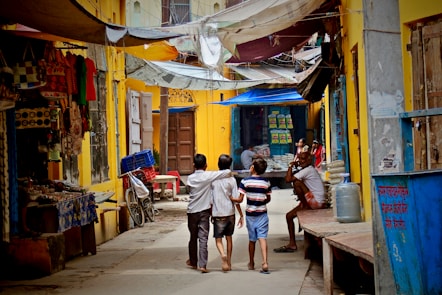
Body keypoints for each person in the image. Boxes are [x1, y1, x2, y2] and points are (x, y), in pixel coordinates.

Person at [186, 153, 232, 273]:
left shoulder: (190, 178)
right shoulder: (208, 176)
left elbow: (188, 189)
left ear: (193, 165)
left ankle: (193, 261)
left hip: (192, 212)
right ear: (206, 165)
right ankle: (203, 265)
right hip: (204, 212)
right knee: (203, 239)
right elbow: (226, 172)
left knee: (193, 237)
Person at [274, 152, 326, 253]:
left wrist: (290, 166)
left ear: (309, 160)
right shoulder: (306, 170)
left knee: (297, 183)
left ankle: (305, 206)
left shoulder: (308, 170)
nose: (301, 161)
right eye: (300, 159)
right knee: (289, 216)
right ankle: (292, 244)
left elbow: (288, 179)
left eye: (303, 159)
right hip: (313, 200)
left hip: (316, 203)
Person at [230, 158, 271, 274]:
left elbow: (240, 199)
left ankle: (252, 263)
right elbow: (268, 198)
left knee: (252, 240)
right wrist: (260, 201)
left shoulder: (245, 181)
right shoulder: (266, 182)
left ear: (252, 168)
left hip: (250, 215)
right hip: (262, 213)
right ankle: (265, 262)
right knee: (262, 238)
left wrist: (231, 198)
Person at [211, 154, 244, 272]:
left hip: (218, 213)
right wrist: (241, 214)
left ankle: (222, 254)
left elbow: (211, 200)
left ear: (218, 165)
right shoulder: (232, 180)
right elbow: (236, 199)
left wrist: (211, 213)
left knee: (218, 239)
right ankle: (229, 262)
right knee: (229, 238)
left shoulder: (213, 180)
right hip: (230, 213)